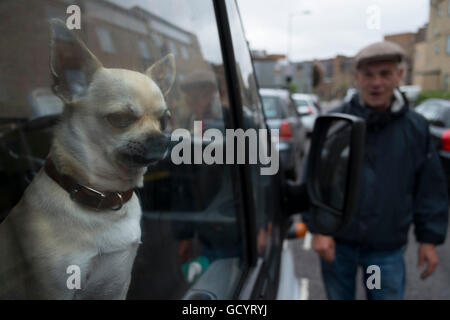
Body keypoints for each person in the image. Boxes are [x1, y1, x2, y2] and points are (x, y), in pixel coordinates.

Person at [306, 41, 449, 300]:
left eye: (385, 74)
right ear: (357, 77)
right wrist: (319, 229)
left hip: (385, 250)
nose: (376, 83)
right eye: (369, 75)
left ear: (399, 76)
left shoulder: (415, 128)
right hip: (339, 244)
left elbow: (429, 188)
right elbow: (315, 181)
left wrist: (429, 240)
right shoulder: (337, 124)